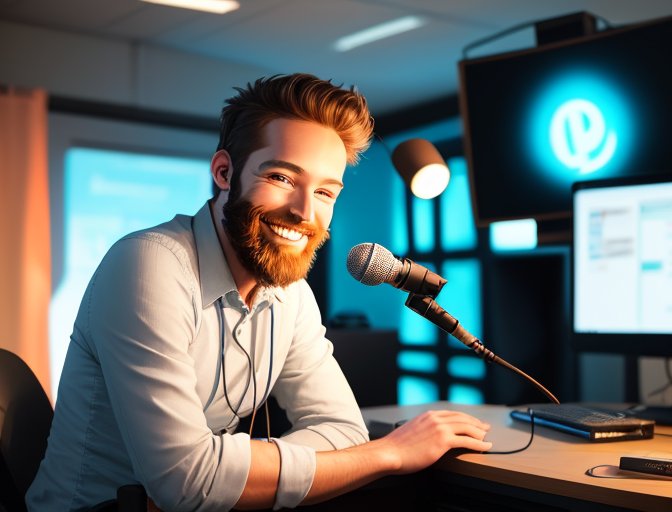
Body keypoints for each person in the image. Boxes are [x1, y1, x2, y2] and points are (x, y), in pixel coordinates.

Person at [26, 73, 492, 511]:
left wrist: (230, 470)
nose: (304, 212)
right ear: (224, 173)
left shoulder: (291, 294)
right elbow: (185, 481)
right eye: (282, 178)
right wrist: (390, 454)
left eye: (326, 192)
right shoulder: (149, 265)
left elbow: (345, 431)